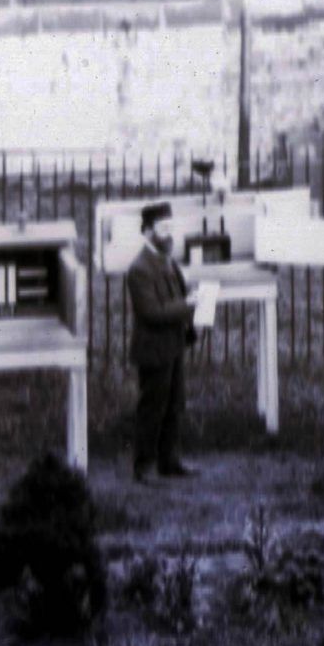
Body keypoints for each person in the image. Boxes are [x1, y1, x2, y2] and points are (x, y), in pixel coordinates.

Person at [123, 201, 198, 481]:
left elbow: (178, 293)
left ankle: (169, 460)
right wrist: (189, 304)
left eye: (170, 227)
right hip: (153, 348)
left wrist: (191, 295)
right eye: (162, 228)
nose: (168, 234)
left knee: (174, 403)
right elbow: (151, 312)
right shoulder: (139, 268)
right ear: (146, 231)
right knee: (153, 407)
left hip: (173, 343)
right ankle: (144, 466)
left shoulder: (167, 260)